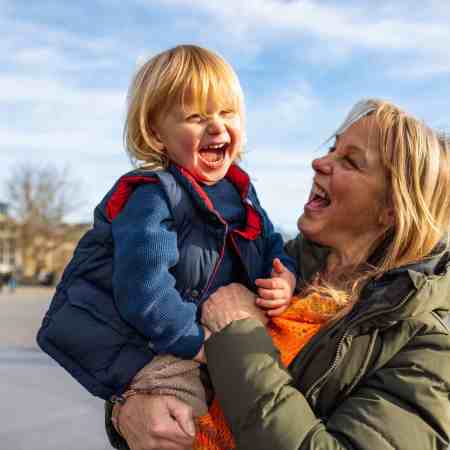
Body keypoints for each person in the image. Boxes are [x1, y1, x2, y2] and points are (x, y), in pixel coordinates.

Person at [107, 99, 450, 450]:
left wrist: (237, 332)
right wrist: (127, 406)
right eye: (332, 148)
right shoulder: (274, 265)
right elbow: (159, 348)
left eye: (349, 161)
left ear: (392, 210)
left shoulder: (429, 346)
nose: (318, 162)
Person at [37, 45, 296, 405]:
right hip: (166, 348)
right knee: (184, 421)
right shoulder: (153, 196)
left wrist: (285, 279)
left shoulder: (242, 193)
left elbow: (271, 245)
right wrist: (196, 343)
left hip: (219, 333)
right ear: (158, 135)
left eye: (227, 112)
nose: (217, 126)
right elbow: (144, 290)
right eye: (195, 117)